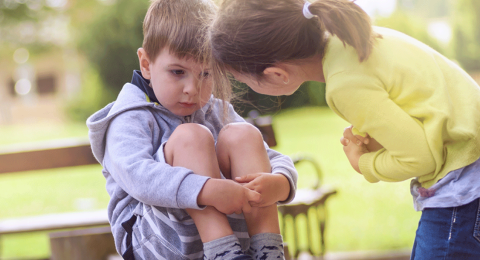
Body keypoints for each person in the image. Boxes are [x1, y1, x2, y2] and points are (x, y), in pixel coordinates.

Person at [208, 0, 480, 259]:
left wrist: (364, 163)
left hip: (464, 187)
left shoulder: (344, 85)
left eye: (242, 80)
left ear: (277, 75)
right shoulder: (350, 40)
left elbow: (421, 157)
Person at [87, 0, 298, 259]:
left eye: (206, 74)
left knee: (243, 135)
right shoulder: (128, 118)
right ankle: (224, 253)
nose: (193, 89)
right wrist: (205, 189)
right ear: (146, 64)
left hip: (228, 236)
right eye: (178, 72)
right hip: (153, 240)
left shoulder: (215, 110)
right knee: (192, 137)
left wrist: (282, 182)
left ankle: (269, 251)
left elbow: (268, 157)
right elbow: (138, 178)